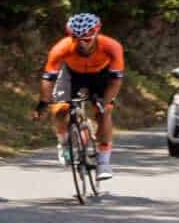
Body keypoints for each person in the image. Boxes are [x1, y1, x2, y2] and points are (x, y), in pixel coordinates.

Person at [42, 12, 126, 178]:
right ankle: (64, 145)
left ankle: (103, 162)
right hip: (71, 74)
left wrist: (105, 103)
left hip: (100, 75)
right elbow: (48, 76)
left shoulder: (111, 47)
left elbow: (115, 81)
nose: (82, 43)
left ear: (95, 35)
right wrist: (43, 102)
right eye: (76, 38)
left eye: (86, 39)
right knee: (59, 110)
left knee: (104, 113)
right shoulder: (61, 48)